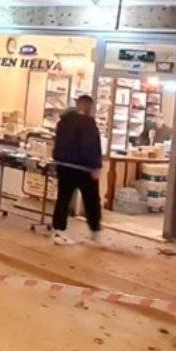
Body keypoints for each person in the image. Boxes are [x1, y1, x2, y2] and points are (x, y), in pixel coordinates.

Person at [51, 94, 104, 245]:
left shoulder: (63, 121)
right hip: (84, 168)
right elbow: (92, 145)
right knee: (91, 200)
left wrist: (58, 159)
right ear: (87, 106)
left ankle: (59, 231)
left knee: (63, 198)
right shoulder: (88, 123)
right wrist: (96, 166)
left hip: (64, 166)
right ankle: (95, 231)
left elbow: (58, 143)